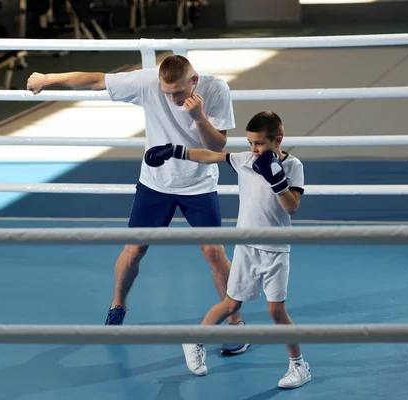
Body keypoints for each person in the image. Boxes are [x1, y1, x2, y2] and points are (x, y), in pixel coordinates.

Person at [26, 55, 249, 355]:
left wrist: (198, 117)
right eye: (165, 91)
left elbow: (217, 146)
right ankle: (118, 306)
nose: (171, 98)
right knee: (133, 251)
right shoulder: (147, 82)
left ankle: (235, 322)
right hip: (155, 183)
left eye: (178, 92)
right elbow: (95, 79)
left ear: (193, 81)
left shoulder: (216, 89)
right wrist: (47, 77)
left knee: (213, 250)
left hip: (198, 183)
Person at [144, 110, 311, 388]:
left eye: (259, 144)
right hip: (246, 246)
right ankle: (194, 338)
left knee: (276, 312)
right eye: (250, 143)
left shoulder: (293, 166)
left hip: (275, 249)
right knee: (232, 303)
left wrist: (277, 182)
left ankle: (299, 366)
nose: (254, 149)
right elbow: (210, 156)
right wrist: (174, 151)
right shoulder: (245, 160)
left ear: (277, 140)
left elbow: (292, 206)